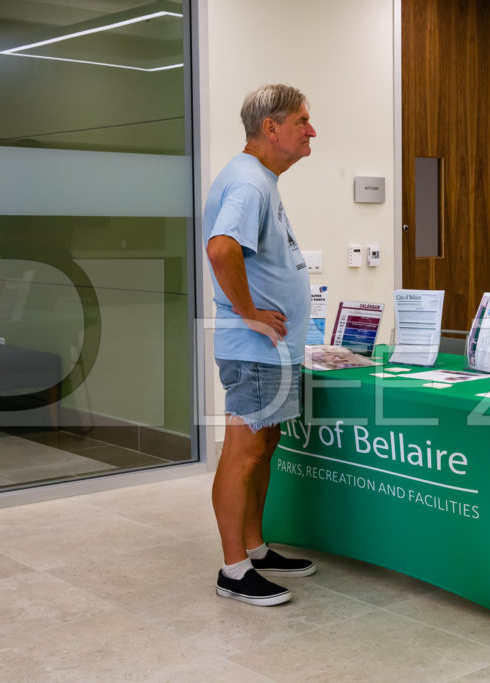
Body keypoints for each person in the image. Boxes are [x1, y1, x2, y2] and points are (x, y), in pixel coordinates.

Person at [203, 84, 317, 606]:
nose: (310, 131)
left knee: (263, 448)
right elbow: (221, 249)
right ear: (271, 127)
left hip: (271, 350)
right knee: (243, 453)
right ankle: (234, 569)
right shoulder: (250, 182)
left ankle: (255, 546)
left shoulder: (261, 181)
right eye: (301, 121)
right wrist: (248, 313)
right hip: (253, 349)